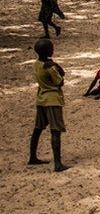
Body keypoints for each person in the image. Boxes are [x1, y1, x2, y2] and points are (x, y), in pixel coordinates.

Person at [29, 38, 68, 172]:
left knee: (38, 128)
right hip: (53, 99)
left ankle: (32, 157)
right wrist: (56, 66)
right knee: (55, 131)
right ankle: (58, 163)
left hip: (41, 98)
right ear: (48, 51)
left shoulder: (36, 64)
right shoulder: (50, 68)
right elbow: (60, 81)